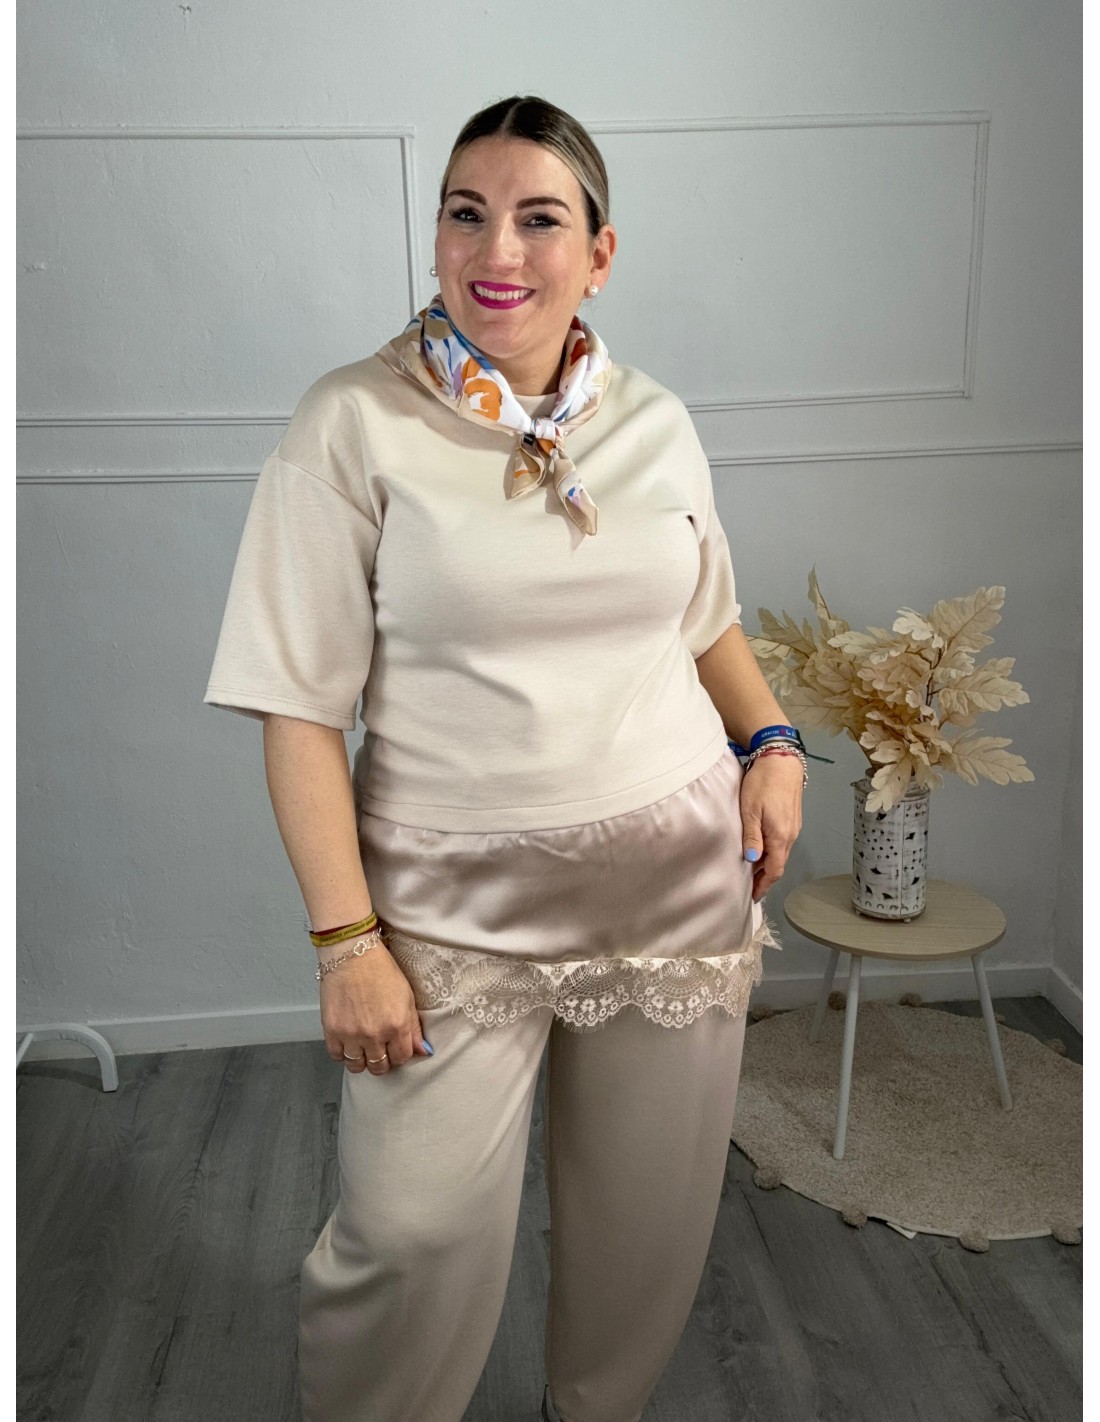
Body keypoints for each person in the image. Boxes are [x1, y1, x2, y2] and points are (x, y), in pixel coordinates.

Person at [205, 95, 804, 1422]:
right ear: (436, 234)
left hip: (677, 886)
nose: (498, 250)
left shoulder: (654, 419)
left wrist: (773, 741)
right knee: (409, 1235)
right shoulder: (351, 422)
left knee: (646, 1228)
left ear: (600, 253)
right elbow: (296, 708)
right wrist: (345, 944)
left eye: (540, 219)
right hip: (449, 911)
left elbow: (702, 615)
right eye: (466, 214)